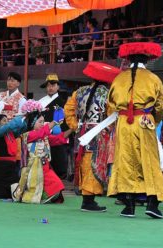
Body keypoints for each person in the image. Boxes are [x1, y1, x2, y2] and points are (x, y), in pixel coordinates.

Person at [107, 42, 163, 219]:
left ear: (128, 60)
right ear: (147, 60)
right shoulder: (153, 78)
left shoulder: (118, 79)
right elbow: (160, 105)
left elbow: (110, 106)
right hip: (144, 121)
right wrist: (153, 120)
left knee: (126, 161)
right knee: (148, 160)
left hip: (124, 123)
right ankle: (152, 203)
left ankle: (129, 206)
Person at [64, 62, 121, 212]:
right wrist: (108, 129)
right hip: (98, 134)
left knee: (84, 163)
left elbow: (68, 110)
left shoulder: (79, 91)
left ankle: (86, 198)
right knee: (94, 165)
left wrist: (76, 126)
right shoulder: (109, 94)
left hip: (82, 133)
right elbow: (113, 115)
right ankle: (88, 201)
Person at [12, 100, 73, 204]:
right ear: (32, 122)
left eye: (43, 122)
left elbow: (58, 138)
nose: (42, 124)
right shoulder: (28, 135)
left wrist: (72, 129)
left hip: (45, 166)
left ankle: (42, 198)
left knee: (56, 184)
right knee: (32, 188)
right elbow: (40, 133)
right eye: (40, 122)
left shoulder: (44, 135)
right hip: (32, 168)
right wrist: (54, 122)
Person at [38, 73, 68, 179]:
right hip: (41, 134)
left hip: (54, 134)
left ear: (58, 87)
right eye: (48, 85)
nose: (50, 88)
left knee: (56, 159)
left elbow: (60, 121)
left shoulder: (62, 102)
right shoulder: (40, 102)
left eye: (53, 85)